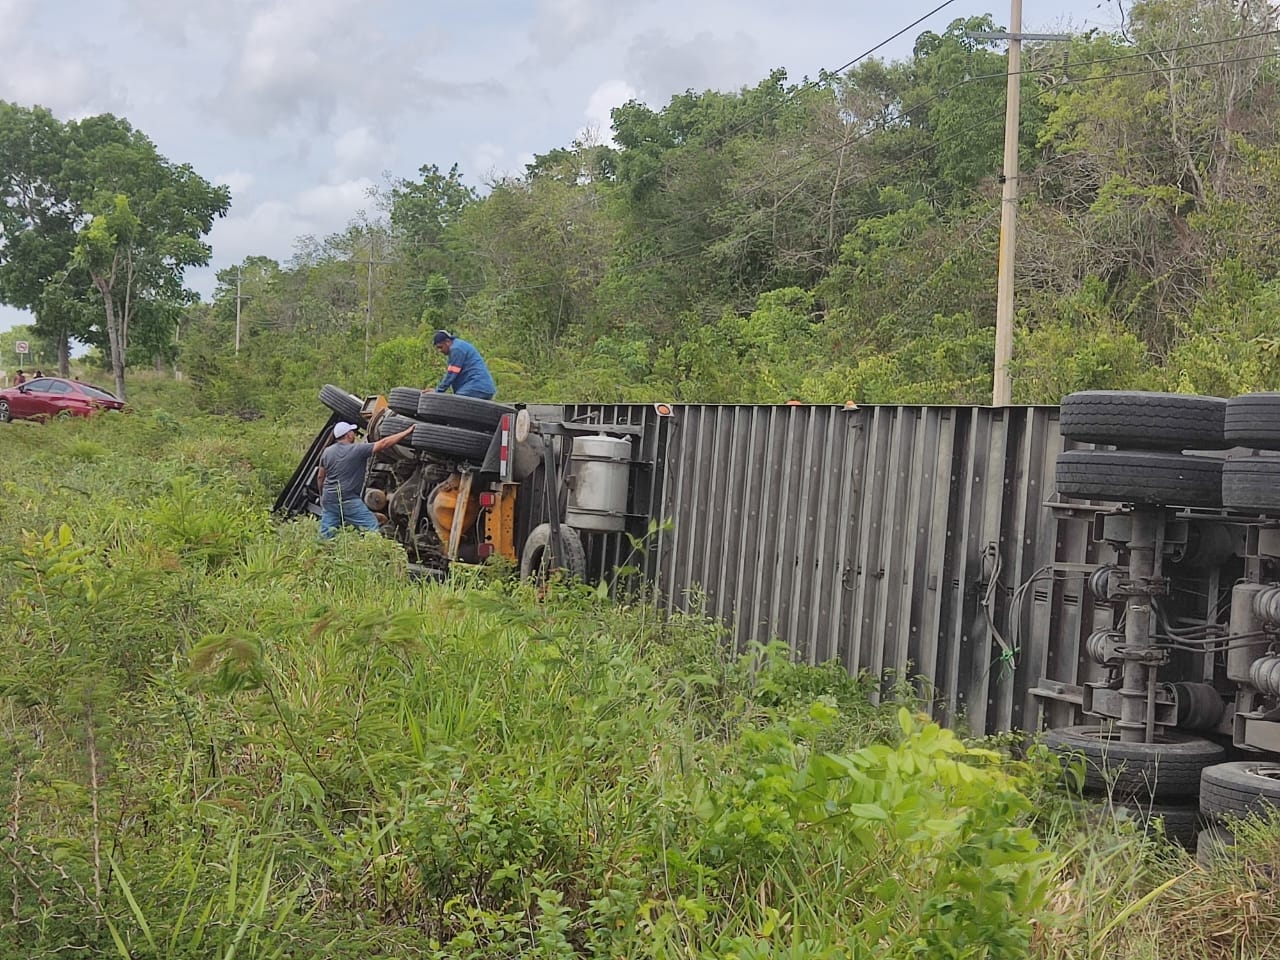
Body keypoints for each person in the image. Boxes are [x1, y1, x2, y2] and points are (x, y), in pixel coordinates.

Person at [316, 420, 414, 539]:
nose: (354, 434)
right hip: (348, 499)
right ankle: (372, 552)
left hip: (329, 499)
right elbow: (383, 443)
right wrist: (407, 432)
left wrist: (322, 494)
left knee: (326, 534)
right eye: (352, 432)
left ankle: (322, 553)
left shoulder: (327, 452)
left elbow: (321, 476)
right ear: (348, 435)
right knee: (371, 527)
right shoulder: (357, 450)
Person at [431, 330, 496, 399]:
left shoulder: (456, 349)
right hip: (483, 387)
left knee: (456, 403)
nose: (439, 351)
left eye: (440, 347)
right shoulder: (459, 345)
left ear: (448, 342)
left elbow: (451, 375)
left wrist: (437, 392)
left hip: (477, 386)